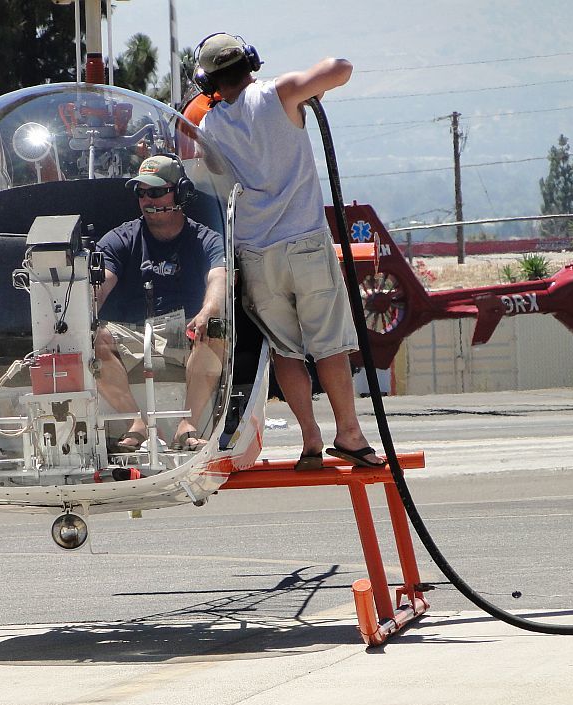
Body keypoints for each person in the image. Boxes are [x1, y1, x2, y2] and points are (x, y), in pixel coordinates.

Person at [195, 33, 386, 470]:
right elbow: (342, 66)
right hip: (305, 244)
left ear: (209, 82)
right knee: (330, 348)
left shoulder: (208, 128)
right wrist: (309, 89)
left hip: (257, 254)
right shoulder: (279, 93)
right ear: (251, 63)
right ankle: (350, 434)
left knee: (286, 351)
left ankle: (311, 438)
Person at [95, 155, 226, 452]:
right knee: (87, 337)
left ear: (179, 193)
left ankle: (187, 425)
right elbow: (100, 282)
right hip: (133, 333)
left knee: (216, 327)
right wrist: (86, 307)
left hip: (186, 331)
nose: (146, 200)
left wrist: (207, 312)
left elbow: (219, 278)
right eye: (140, 193)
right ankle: (135, 424)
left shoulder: (207, 239)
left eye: (154, 192)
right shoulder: (121, 238)